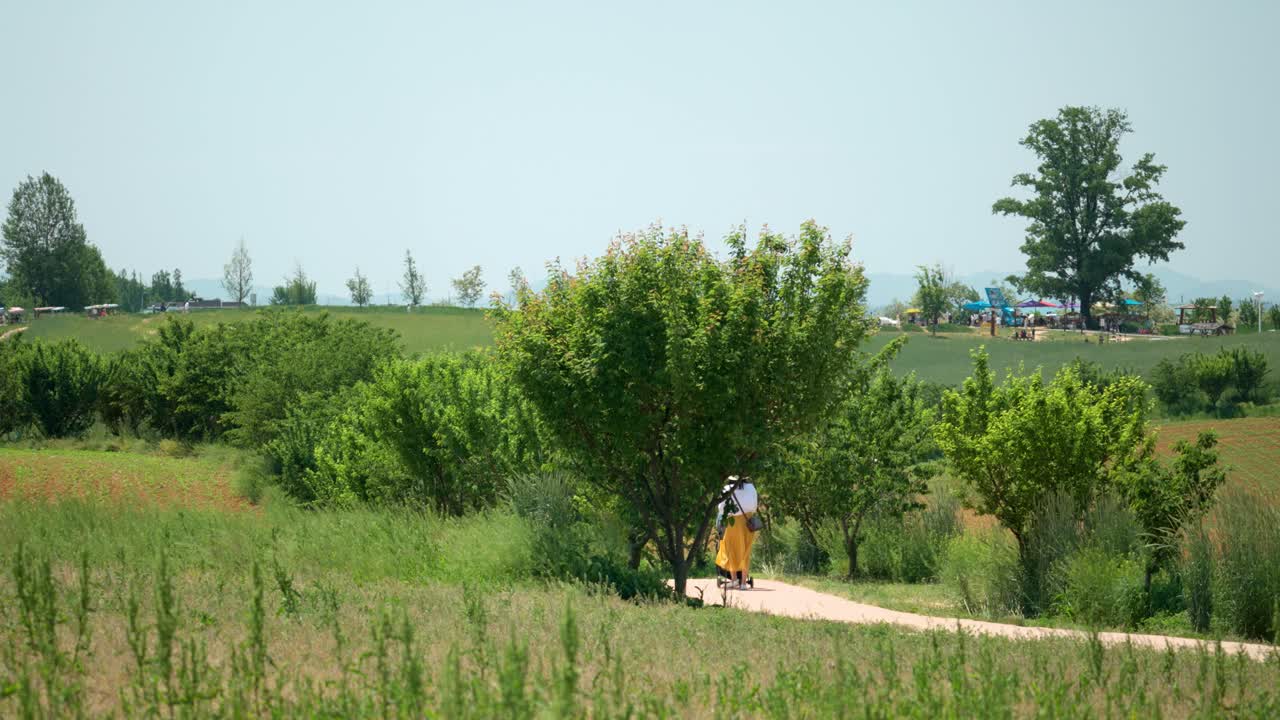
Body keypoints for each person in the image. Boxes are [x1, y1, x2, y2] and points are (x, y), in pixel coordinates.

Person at [714, 476, 759, 589]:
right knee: (745, 550)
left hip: (731, 521)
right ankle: (743, 583)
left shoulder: (726, 488)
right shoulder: (751, 487)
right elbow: (754, 507)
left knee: (730, 549)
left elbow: (721, 508)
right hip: (747, 522)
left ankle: (734, 579)